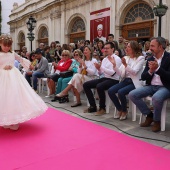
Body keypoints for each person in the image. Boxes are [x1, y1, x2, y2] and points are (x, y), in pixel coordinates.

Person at [0, 34, 47, 130]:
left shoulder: (12, 53)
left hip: (13, 77)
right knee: (4, 98)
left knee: (14, 96)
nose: (7, 47)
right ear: (0, 44)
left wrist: (29, 64)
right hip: (2, 77)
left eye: (8, 45)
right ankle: (6, 119)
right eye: (5, 45)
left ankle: (14, 120)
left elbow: (21, 59)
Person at [128, 37, 170, 132]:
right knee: (132, 94)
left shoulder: (169, 57)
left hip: (165, 87)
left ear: (160, 46)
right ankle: (149, 115)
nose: (150, 48)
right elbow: (143, 76)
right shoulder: (150, 58)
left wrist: (158, 69)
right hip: (151, 86)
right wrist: (151, 71)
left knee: (156, 98)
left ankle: (156, 121)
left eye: (152, 46)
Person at [108, 41, 145, 120]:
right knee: (111, 91)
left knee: (121, 92)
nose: (126, 48)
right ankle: (120, 109)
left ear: (134, 48)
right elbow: (121, 74)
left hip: (134, 82)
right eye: (126, 46)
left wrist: (125, 65)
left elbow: (134, 72)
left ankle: (124, 111)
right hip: (126, 80)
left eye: (128, 47)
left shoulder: (140, 58)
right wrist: (114, 66)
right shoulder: (126, 58)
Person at [83, 42, 122, 115]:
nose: (105, 50)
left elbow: (113, 73)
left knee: (99, 86)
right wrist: (98, 69)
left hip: (114, 80)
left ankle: (102, 108)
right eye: (105, 48)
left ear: (112, 49)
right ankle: (93, 106)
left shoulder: (117, 59)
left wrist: (101, 67)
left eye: (107, 48)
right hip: (105, 78)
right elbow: (101, 73)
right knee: (86, 85)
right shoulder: (105, 59)